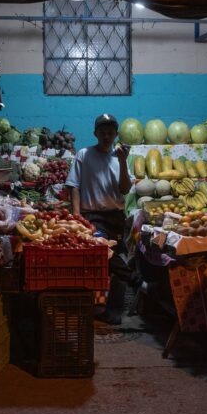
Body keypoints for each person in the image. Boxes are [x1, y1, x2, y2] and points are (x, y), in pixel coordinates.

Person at [64, 113, 133, 324]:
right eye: (102, 132)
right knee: (102, 253)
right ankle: (134, 279)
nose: (106, 135)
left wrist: (122, 162)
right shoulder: (84, 155)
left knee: (117, 256)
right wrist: (77, 216)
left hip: (116, 216)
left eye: (110, 132)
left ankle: (114, 310)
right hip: (92, 216)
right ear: (95, 133)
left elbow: (125, 188)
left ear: (115, 134)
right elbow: (73, 186)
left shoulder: (119, 158)